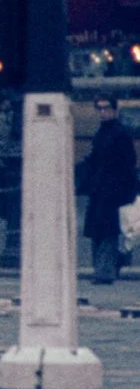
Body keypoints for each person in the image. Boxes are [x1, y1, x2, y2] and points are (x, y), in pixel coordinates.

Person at [79, 99, 138, 285]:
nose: (103, 112)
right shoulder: (106, 132)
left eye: (106, 108)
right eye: (100, 109)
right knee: (103, 231)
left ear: (114, 110)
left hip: (112, 190)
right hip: (103, 189)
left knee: (106, 231)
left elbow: (128, 163)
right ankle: (106, 268)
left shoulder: (118, 133)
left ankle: (104, 271)